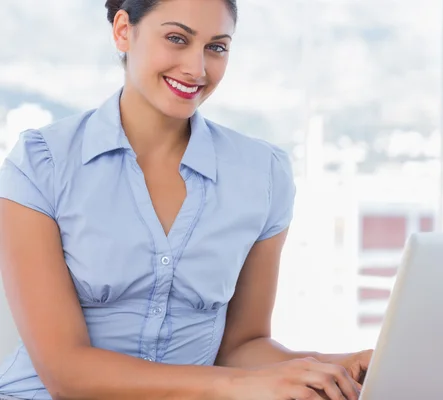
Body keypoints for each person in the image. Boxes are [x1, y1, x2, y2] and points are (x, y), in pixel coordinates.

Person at [0, 0, 373, 399]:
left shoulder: (263, 174)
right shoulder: (42, 164)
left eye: (216, 47)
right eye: (177, 39)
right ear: (124, 30)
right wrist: (242, 386)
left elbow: (240, 348)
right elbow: (67, 373)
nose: (197, 69)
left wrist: (336, 365)